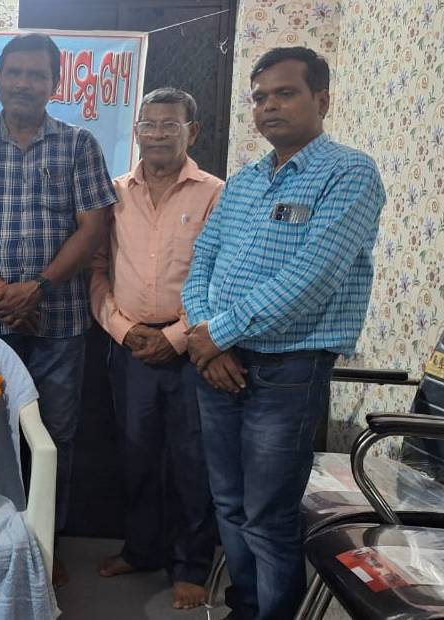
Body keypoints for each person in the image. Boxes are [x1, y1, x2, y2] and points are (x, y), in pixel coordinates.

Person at [182, 47, 386, 619]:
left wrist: (214, 335)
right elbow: (201, 262)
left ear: (322, 100)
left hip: (289, 370)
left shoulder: (349, 174)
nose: (268, 106)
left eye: (285, 93)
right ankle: (245, 607)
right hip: (218, 361)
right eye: (259, 97)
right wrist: (207, 338)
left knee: (268, 515)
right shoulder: (244, 181)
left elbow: (312, 278)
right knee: (228, 503)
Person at [0, 32, 116, 585]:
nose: (24, 84)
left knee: (54, 437)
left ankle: (42, 544)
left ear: (54, 84)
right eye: (14, 73)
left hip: (60, 323)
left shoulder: (79, 145)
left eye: (37, 75)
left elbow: (93, 226)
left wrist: (37, 286)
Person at [89, 87, 222, 609]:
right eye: (149, 124)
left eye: (171, 125)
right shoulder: (113, 193)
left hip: (193, 347)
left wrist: (175, 337)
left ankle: (191, 566)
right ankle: (141, 550)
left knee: (192, 460)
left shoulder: (215, 194)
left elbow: (221, 279)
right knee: (136, 454)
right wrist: (123, 330)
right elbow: (97, 270)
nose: (158, 134)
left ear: (193, 132)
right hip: (129, 345)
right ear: (137, 131)